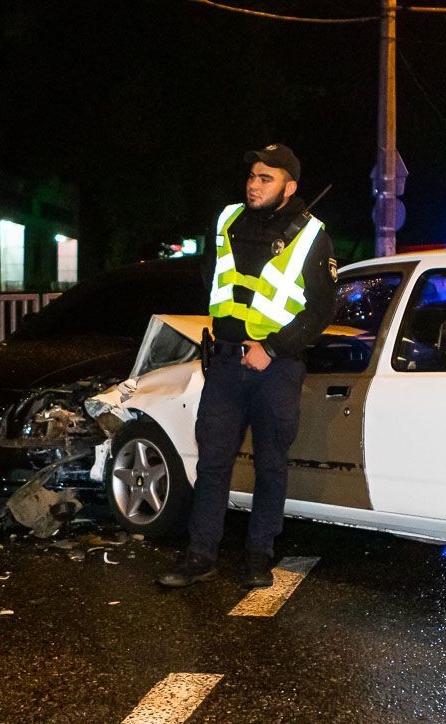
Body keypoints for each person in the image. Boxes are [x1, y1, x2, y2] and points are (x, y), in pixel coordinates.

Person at [158, 144, 337, 590]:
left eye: (266, 178)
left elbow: (321, 310)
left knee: (270, 465)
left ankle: (259, 556)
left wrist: (273, 348)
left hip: (275, 368)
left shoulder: (312, 234)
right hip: (224, 361)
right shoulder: (227, 219)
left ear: (289, 187)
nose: (254, 185)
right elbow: (210, 275)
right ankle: (201, 555)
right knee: (213, 462)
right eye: (253, 176)